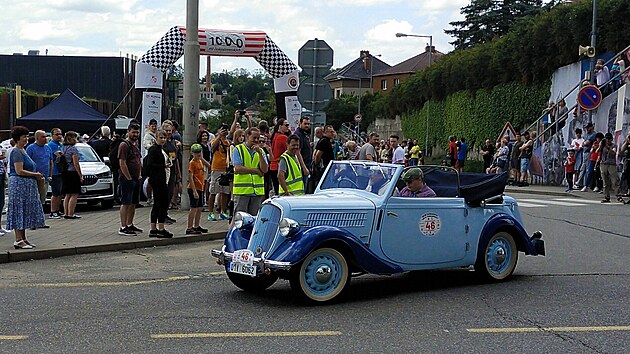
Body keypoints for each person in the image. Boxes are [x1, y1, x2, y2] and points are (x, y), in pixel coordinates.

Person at [7, 126, 46, 249]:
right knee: (19, 210)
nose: (26, 138)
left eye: (27, 136)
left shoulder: (23, 150)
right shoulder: (16, 151)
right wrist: (36, 175)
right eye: (24, 136)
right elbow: (19, 170)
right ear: (17, 138)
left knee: (24, 210)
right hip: (19, 184)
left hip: (26, 185)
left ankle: (23, 238)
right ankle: (18, 239)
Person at [232, 127, 269, 215]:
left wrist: (259, 153)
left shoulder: (261, 152)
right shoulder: (238, 149)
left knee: (254, 219)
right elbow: (238, 168)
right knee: (240, 219)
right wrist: (255, 170)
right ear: (247, 136)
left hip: (257, 192)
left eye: (258, 138)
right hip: (242, 191)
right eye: (254, 138)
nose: (256, 140)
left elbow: (265, 169)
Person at [145, 129, 173, 238]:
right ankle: (158, 228)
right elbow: (150, 165)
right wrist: (163, 166)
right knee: (161, 204)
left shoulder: (162, 149)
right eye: (161, 137)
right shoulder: (153, 150)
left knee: (161, 204)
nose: (163, 140)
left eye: (164, 138)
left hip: (162, 179)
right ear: (156, 138)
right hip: (157, 180)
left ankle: (156, 228)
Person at [118, 122, 143, 235]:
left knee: (133, 203)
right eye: (133, 132)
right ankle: (123, 227)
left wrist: (139, 175)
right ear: (128, 132)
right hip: (127, 179)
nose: (135, 134)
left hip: (136, 178)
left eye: (137, 132)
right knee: (126, 202)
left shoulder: (135, 144)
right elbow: (122, 163)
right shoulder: (124, 145)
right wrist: (128, 178)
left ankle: (130, 224)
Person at [25, 130, 52, 226]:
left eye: (46, 136)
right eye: (43, 137)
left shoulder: (47, 148)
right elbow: (27, 163)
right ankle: (32, 221)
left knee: (42, 200)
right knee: (33, 200)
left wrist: (50, 175)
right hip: (34, 178)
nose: (45, 138)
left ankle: (40, 221)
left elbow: (50, 162)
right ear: (37, 138)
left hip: (44, 178)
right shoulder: (31, 148)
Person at [207, 124, 231, 221]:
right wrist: (219, 136)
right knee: (213, 191)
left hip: (225, 168)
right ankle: (210, 212)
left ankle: (223, 211)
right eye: (222, 129)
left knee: (225, 191)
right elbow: (212, 147)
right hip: (216, 168)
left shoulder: (228, 142)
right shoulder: (216, 140)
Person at [60, 131, 83, 219]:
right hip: (73, 172)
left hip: (65, 172)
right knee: (74, 194)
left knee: (67, 194)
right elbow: (76, 163)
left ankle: (66, 213)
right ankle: (71, 213)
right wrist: (80, 175)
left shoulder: (63, 148)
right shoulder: (73, 149)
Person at [186, 144, 208, 234]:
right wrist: (194, 191)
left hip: (200, 187)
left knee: (199, 208)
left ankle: (196, 225)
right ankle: (189, 227)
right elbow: (190, 177)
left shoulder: (200, 161)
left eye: (199, 152)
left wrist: (202, 158)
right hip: (193, 188)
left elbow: (208, 165)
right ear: (192, 153)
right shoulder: (192, 163)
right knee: (193, 208)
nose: (198, 154)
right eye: (196, 152)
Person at [269, 118, 290, 195]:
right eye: (286, 125)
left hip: (273, 165)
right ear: (280, 126)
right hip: (279, 165)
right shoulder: (283, 137)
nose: (288, 127)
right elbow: (289, 151)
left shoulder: (275, 135)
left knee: (276, 189)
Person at [598, 133, 620, 203]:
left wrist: (607, 147)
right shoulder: (603, 145)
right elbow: (597, 151)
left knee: (614, 181)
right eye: (606, 139)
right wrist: (601, 145)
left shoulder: (613, 145)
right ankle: (606, 197)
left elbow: (613, 152)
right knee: (605, 182)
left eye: (609, 139)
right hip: (603, 164)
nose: (608, 140)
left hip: (611, 164)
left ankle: (618, 196)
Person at [47, 128, 64, 218]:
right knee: (55, 193)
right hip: (55, 172)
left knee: (60, 193)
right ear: (52, 135)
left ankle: (57, 209)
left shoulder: (60, 144)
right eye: (57, 134)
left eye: (60, 134)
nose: (59, 136)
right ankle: (53, 211)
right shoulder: (51, 145)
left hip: (61, 171)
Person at [293, 116, 312, 192]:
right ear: (300, 123)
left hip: (306, 165)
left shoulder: (304, 134)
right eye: (305, 124)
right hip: (301, 167)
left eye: (308, 124)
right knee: (302, 190)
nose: (307, 125)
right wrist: (304, 168)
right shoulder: (299, 135)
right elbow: (297, 152)